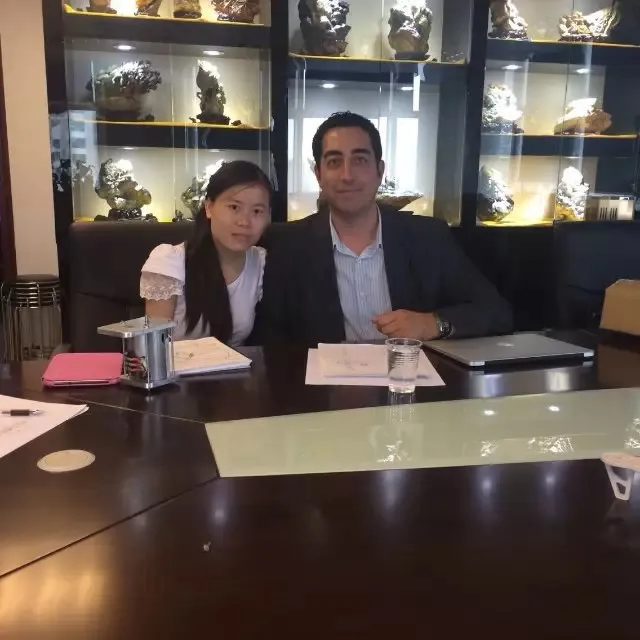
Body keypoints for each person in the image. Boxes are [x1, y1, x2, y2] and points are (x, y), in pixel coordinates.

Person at [258, 111, 512, 346]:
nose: (347, 175)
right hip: (322, 380)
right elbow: (269, 339)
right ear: (319, 174)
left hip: (409, 375)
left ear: (380, 171)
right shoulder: (288, 245)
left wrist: (432, 323)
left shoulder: (428, 237)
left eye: (360, 160)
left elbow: (496, 312)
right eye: (334, 162)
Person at [140, 160, 272, 346]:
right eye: (234, 207)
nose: (244, 222)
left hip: (238, 365)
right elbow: (153, 349)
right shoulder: (169, 262)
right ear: (209, 207)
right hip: (176, 365)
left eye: (257, 211)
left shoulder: (260, 262)